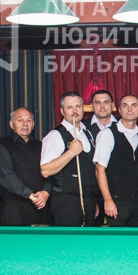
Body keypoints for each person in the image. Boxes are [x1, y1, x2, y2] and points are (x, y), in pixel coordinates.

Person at [41, 92, 98, 226]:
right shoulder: (55, 135)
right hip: (66, 202)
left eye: (78, 106)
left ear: (83, 109)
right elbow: (45, 170)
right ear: (62, 111)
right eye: (69, 107)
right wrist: (71, 152)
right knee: (69, 239)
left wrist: (92, 200)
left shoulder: (87, 132)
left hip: (88, 200)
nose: (74, 111)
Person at [0, 107, 51, 226]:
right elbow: (7, 177)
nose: (25, 123)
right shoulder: (3, 147)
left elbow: (51, 171)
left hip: (41, 207)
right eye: (20, 120)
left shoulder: (41, 146)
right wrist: (30, 195)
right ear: (11, 124)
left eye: (29, 120)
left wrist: (46, 192)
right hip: (15, 210)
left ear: (33, 124)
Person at [94, 94, 138, 227]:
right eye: (125, 105)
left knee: (137, 239)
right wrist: (108, 200)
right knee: (117, 239)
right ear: (119, 110)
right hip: (116, 204)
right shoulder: (107, 134)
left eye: (134, 105)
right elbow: (99, 169)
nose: (130, 109)